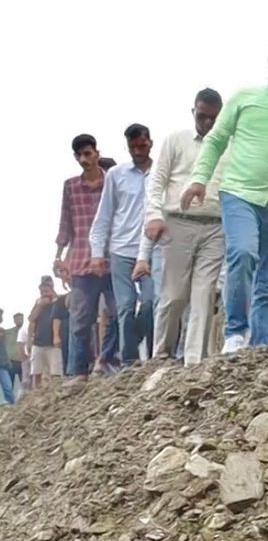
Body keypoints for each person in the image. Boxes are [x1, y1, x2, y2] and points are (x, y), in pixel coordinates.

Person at [183, 36, 268, 353]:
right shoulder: (244, 98)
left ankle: (261, 347)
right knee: (242, 254)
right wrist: (199, 179)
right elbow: (215, 140)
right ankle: (235, 333)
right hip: (240, 194)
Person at [137, 89, 225, 364]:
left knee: (204, 295)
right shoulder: (176, 141)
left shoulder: (230, 144)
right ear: (193, 113)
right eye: (202, 116)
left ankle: (193, 362)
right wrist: (154, 215)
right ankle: (161, 356)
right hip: (178, 223)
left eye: (213, 118)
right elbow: (157, 181)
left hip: (215, 226)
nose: (208, 123)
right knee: (174, 295)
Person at [89, 124, 156, 368]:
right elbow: (103, 216)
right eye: (133, 147)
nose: (138, 151)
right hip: (122, 251)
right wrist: (97, 253)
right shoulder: (116, 175)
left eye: (142, 145)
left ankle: (152, 354)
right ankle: (130, 361)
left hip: (153, 250)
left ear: (150, 143)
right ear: (127, 147)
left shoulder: (161, 171)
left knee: (152, 303)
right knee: (125, 307)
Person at [55, 134, 118, 377]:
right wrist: (59, 257)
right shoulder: (71, 186)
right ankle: (76, 372)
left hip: (112, 259)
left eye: (88, 153)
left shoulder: (112, 181)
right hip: (81, 260)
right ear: (76, 158)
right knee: (80, 319)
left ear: (97, 154)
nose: (84, 159)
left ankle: (107, 360)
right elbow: (65, 223)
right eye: (80, 155)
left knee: (118, 312)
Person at [27, 279, 67, 384]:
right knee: (36, 372)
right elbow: (31, 319)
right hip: (38, 342)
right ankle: (36, 394)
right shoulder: (38, 303)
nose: (44, 294)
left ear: (52, 290)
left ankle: (56, 391)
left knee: (56, 372)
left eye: (46, 291)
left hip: (53, 343)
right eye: (42, 292)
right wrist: (39, 306)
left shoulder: (59, 301)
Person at [7, 312, 24, 397]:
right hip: (11, 361)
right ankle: (9, 402)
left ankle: (25, 400)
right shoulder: (8, 333)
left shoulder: (27, 331)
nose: (19, 320)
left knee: (25, 383)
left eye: (20, 318)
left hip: (23, 361)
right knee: (10, 384)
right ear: (14, 320)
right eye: (17, 319)